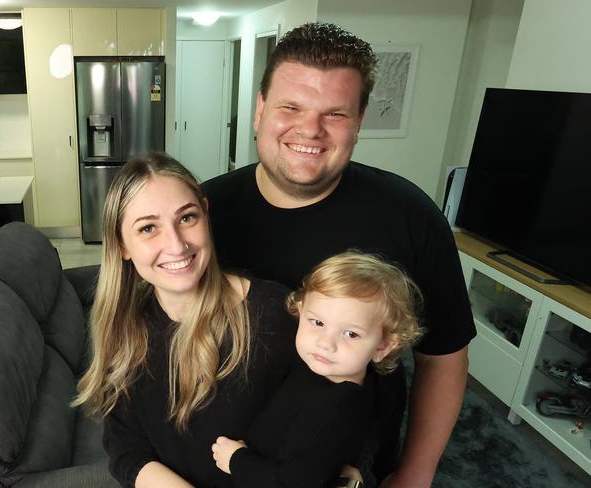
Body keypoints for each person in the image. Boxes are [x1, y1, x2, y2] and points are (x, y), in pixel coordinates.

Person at [202, 22, 476, 488]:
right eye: (291, 106)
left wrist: (415, 473)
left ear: (359, 123)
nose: (310, 129)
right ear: (260, 110)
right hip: (223, 459)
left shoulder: (410, 215)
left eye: (335, 114)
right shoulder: (205, 215)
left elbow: (444, 357)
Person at [73, 153, 298, 488]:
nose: (176, 245)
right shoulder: (126, 327)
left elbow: (338, 413)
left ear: (206, 215)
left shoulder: (278, 313)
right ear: (122, 246)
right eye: (148, 228)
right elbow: (127, 452)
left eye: (187, 218)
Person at [211, 251, 425, 488]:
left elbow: (292, 483)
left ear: (383, 346)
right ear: (301, 311)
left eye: (351, 334)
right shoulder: (322, 369)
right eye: (318, 323)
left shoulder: (338, 406)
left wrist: (236, 460)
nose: (325, 343)